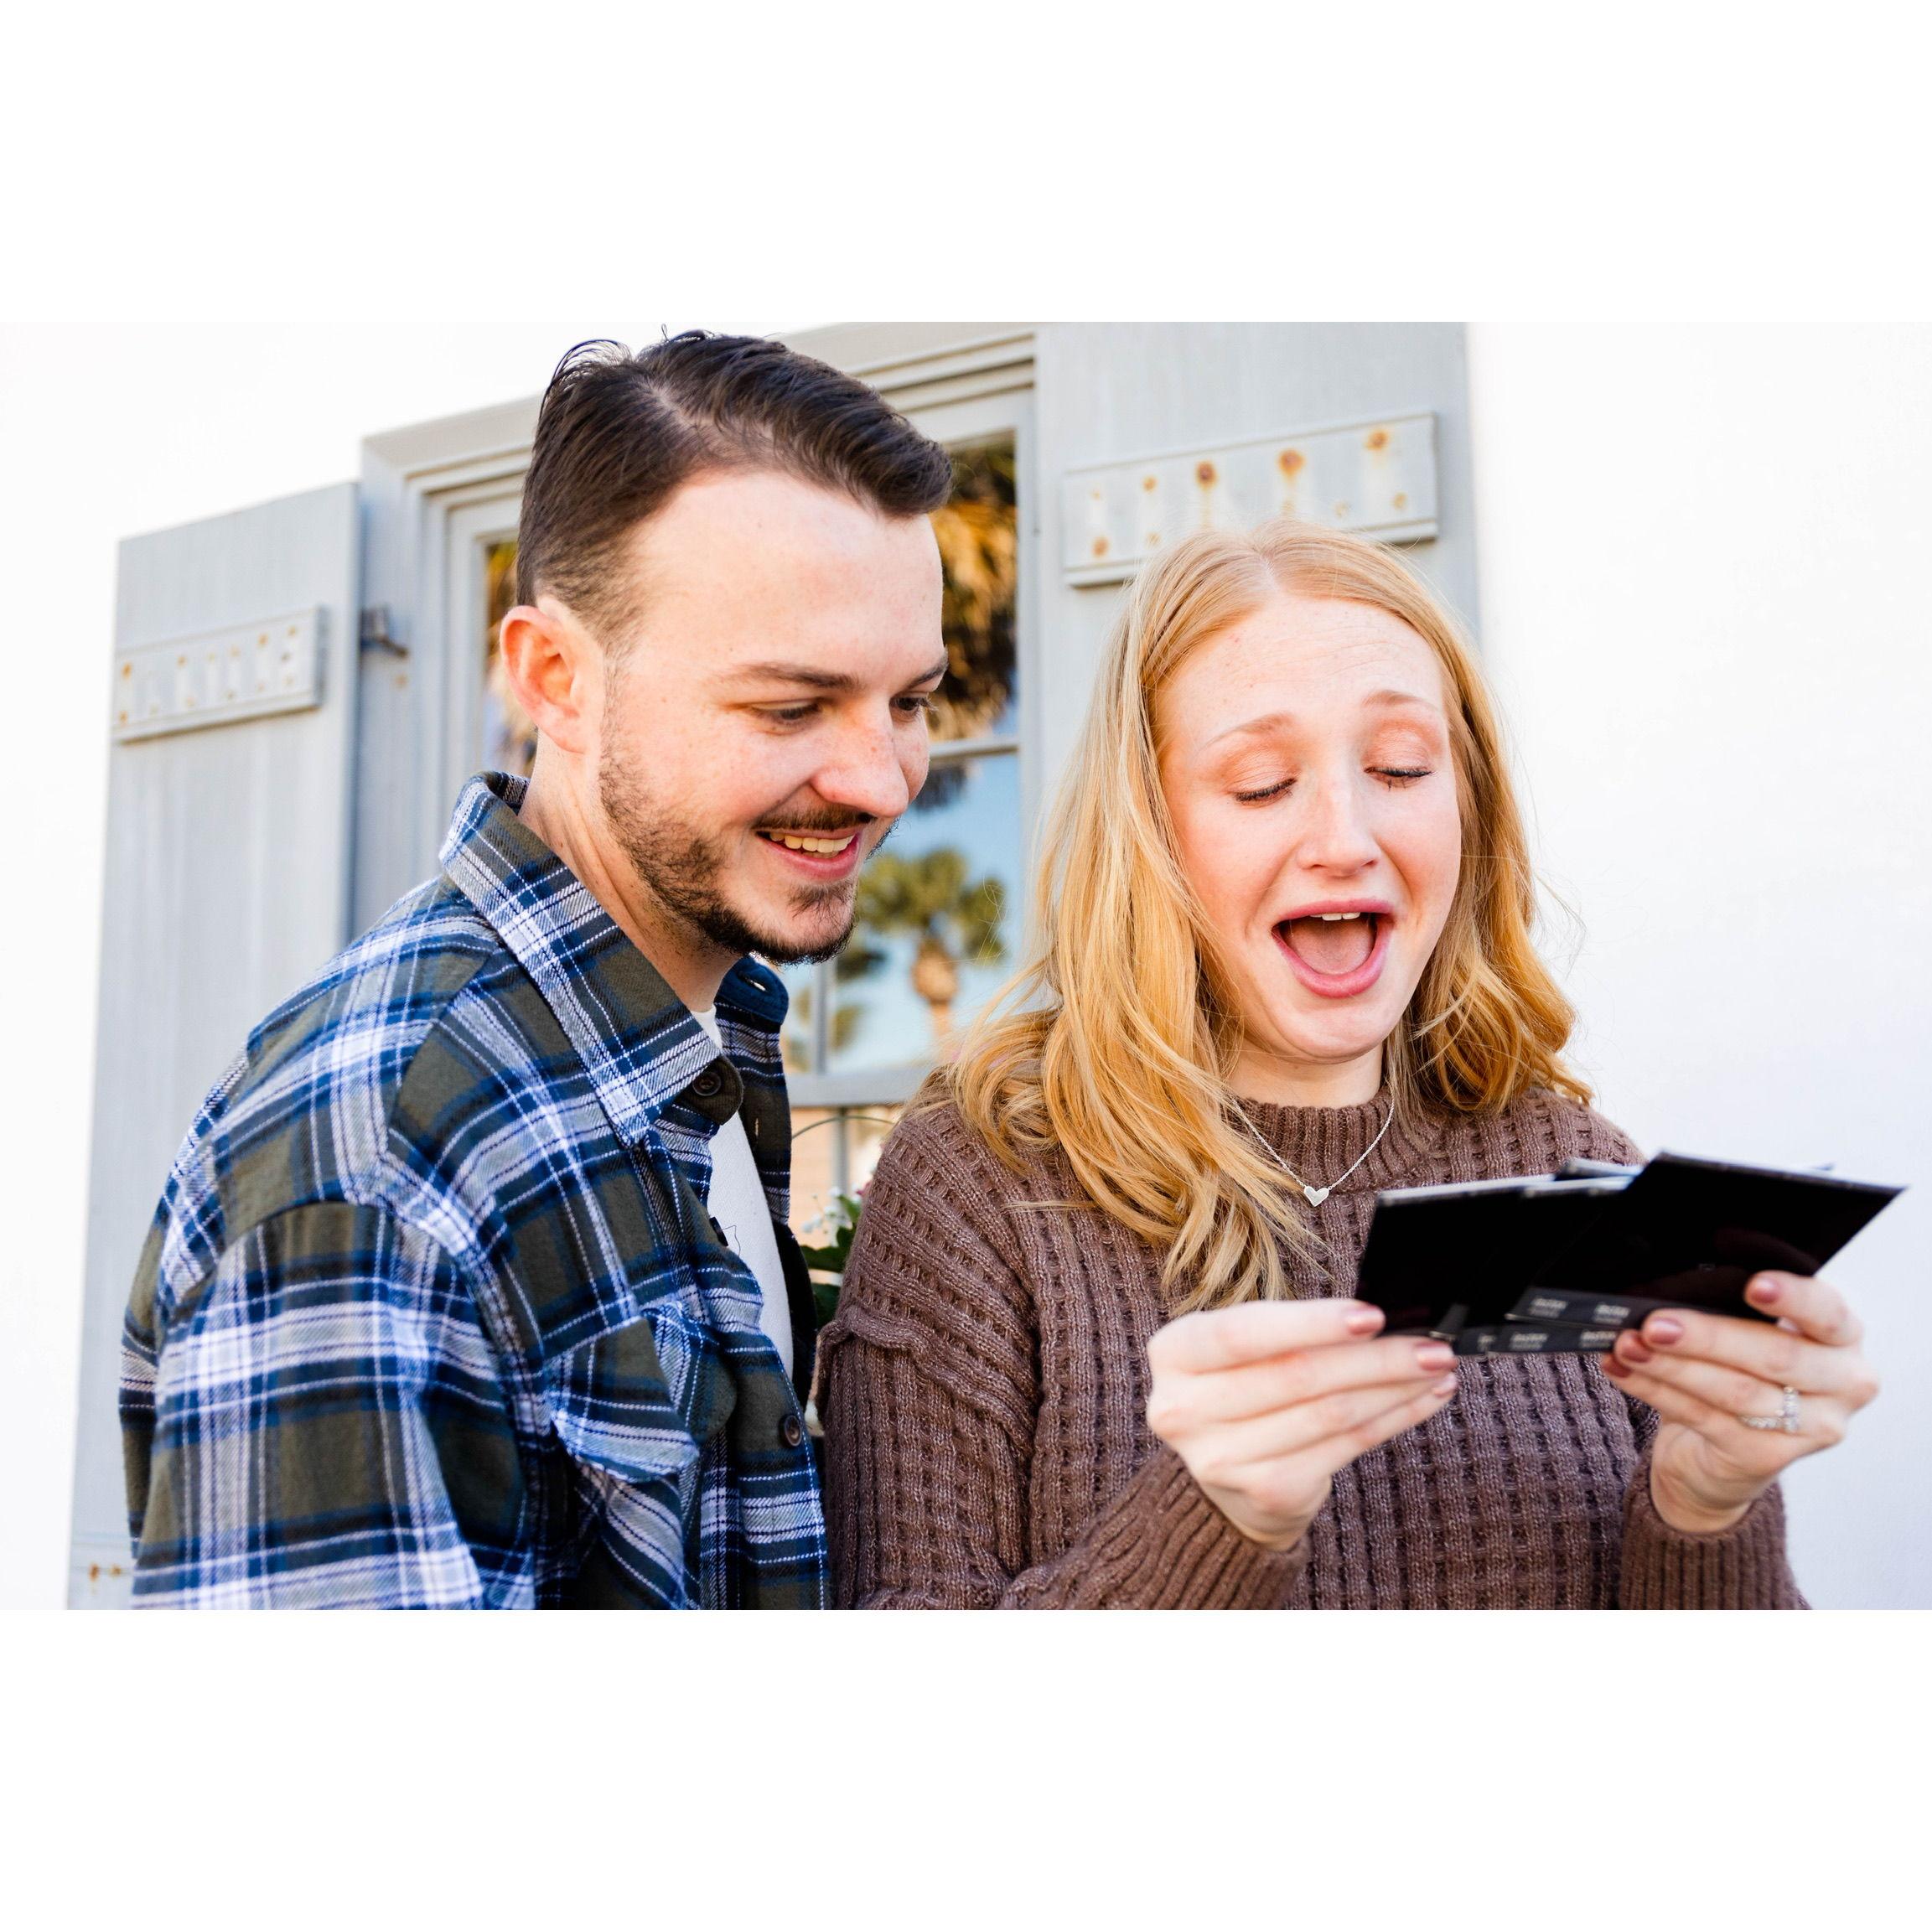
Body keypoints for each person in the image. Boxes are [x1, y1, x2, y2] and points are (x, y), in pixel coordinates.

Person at [820, 517, 1879, 1608]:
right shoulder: (978, 1180)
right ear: (1151, 833)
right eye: (1261, 783)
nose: (1344, 835)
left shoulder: (1577, 1167)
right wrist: (1212, 1521)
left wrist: (1706, 1504)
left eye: (1397, 766)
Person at [120, 333, 952, 1607]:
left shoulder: (703, 1032)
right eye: (792, 708)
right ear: (553, 677)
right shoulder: (379, 1164)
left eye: (911, 701)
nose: (880, 780)